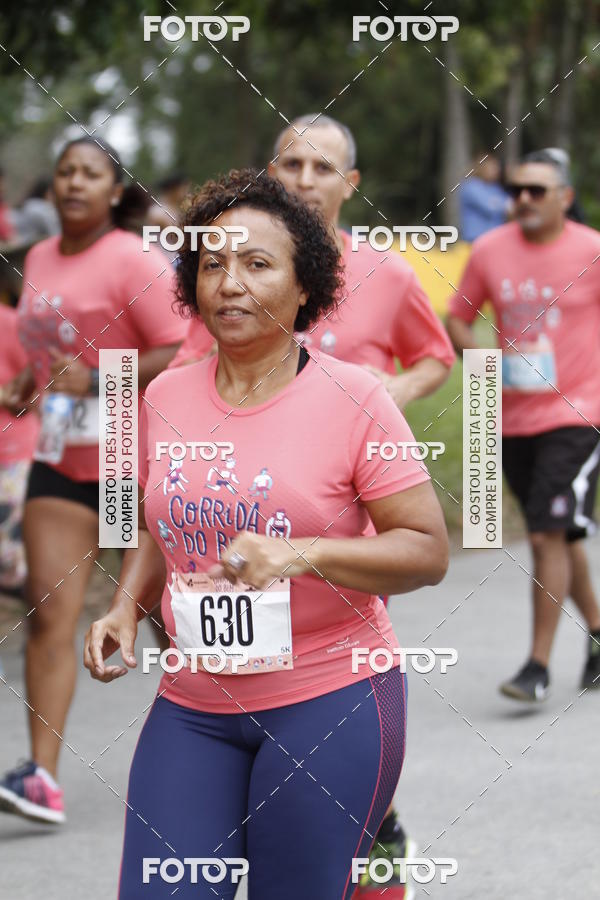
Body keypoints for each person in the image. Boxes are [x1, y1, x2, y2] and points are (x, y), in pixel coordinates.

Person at [84, 169, 449, 899]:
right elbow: (159, 520)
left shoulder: (356, 397)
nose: (230, 284)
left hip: (331, 698)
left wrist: (302, 554)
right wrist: (126, 605)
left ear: (305, 284)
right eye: (212, 265)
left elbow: (426, 550)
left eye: (256, 264)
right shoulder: (165, 394)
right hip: (194, 707)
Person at [0, 137, 186, 825]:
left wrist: (101, 377)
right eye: (65, 172)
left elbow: (182, 349)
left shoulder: (134, 259)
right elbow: (50, 348)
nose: (75, 182)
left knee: (165, 617)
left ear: (114, 191)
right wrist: (31, 384)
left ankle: (231, 739)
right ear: (52, 186)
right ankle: (41, 778)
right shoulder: (39, 258)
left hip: (127, 458)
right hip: (61, 456)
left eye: (91, 173)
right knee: (50, 613)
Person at [447, 150, 600, 702]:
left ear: (565, 197)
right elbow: (458, 318)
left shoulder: (592, 250)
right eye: (516, 191)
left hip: (578, 413)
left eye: (538, 190)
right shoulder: (490, 249)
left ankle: (536, 667)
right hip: (511, 417)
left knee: (544, 533)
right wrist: (484, 364)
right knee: (558, 529)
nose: (524, 199)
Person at [0, 302, 38, 595]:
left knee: (11, 562)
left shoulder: (11, 324)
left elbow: (35, 390)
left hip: (13, 456)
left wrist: (10, 396)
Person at [459, 154, 510, 242]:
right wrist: (506, 205)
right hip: (475, 239)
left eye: (496, 167)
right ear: (482, 168)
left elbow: (509, 203)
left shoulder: (495, 187)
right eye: (492, 168)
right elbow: (490, 207)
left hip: (495, 237)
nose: (496, 171)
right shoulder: (471, 186)